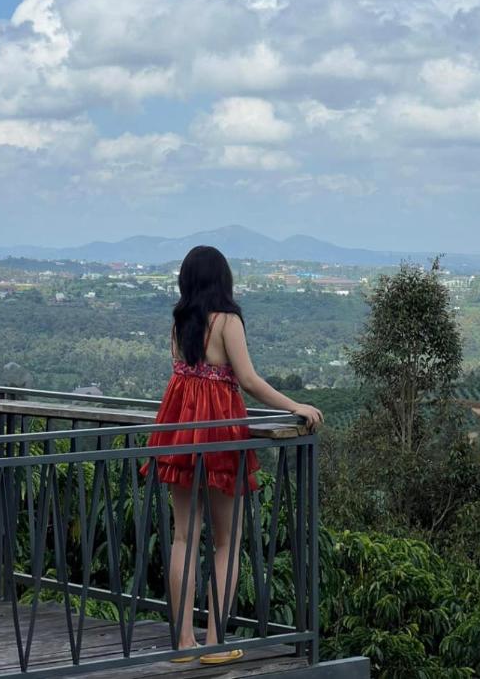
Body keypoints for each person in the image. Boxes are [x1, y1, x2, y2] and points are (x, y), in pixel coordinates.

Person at [140, 245, 323, 666]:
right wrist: (294, 406)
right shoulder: (227, 321)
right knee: (226, 540)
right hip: (219, 428)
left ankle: (183, 643)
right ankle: (216, 641)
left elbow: (184, 374)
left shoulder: (180, 320)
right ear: (223, 280)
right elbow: (249, 380)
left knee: (183, 536)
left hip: (180, 425)